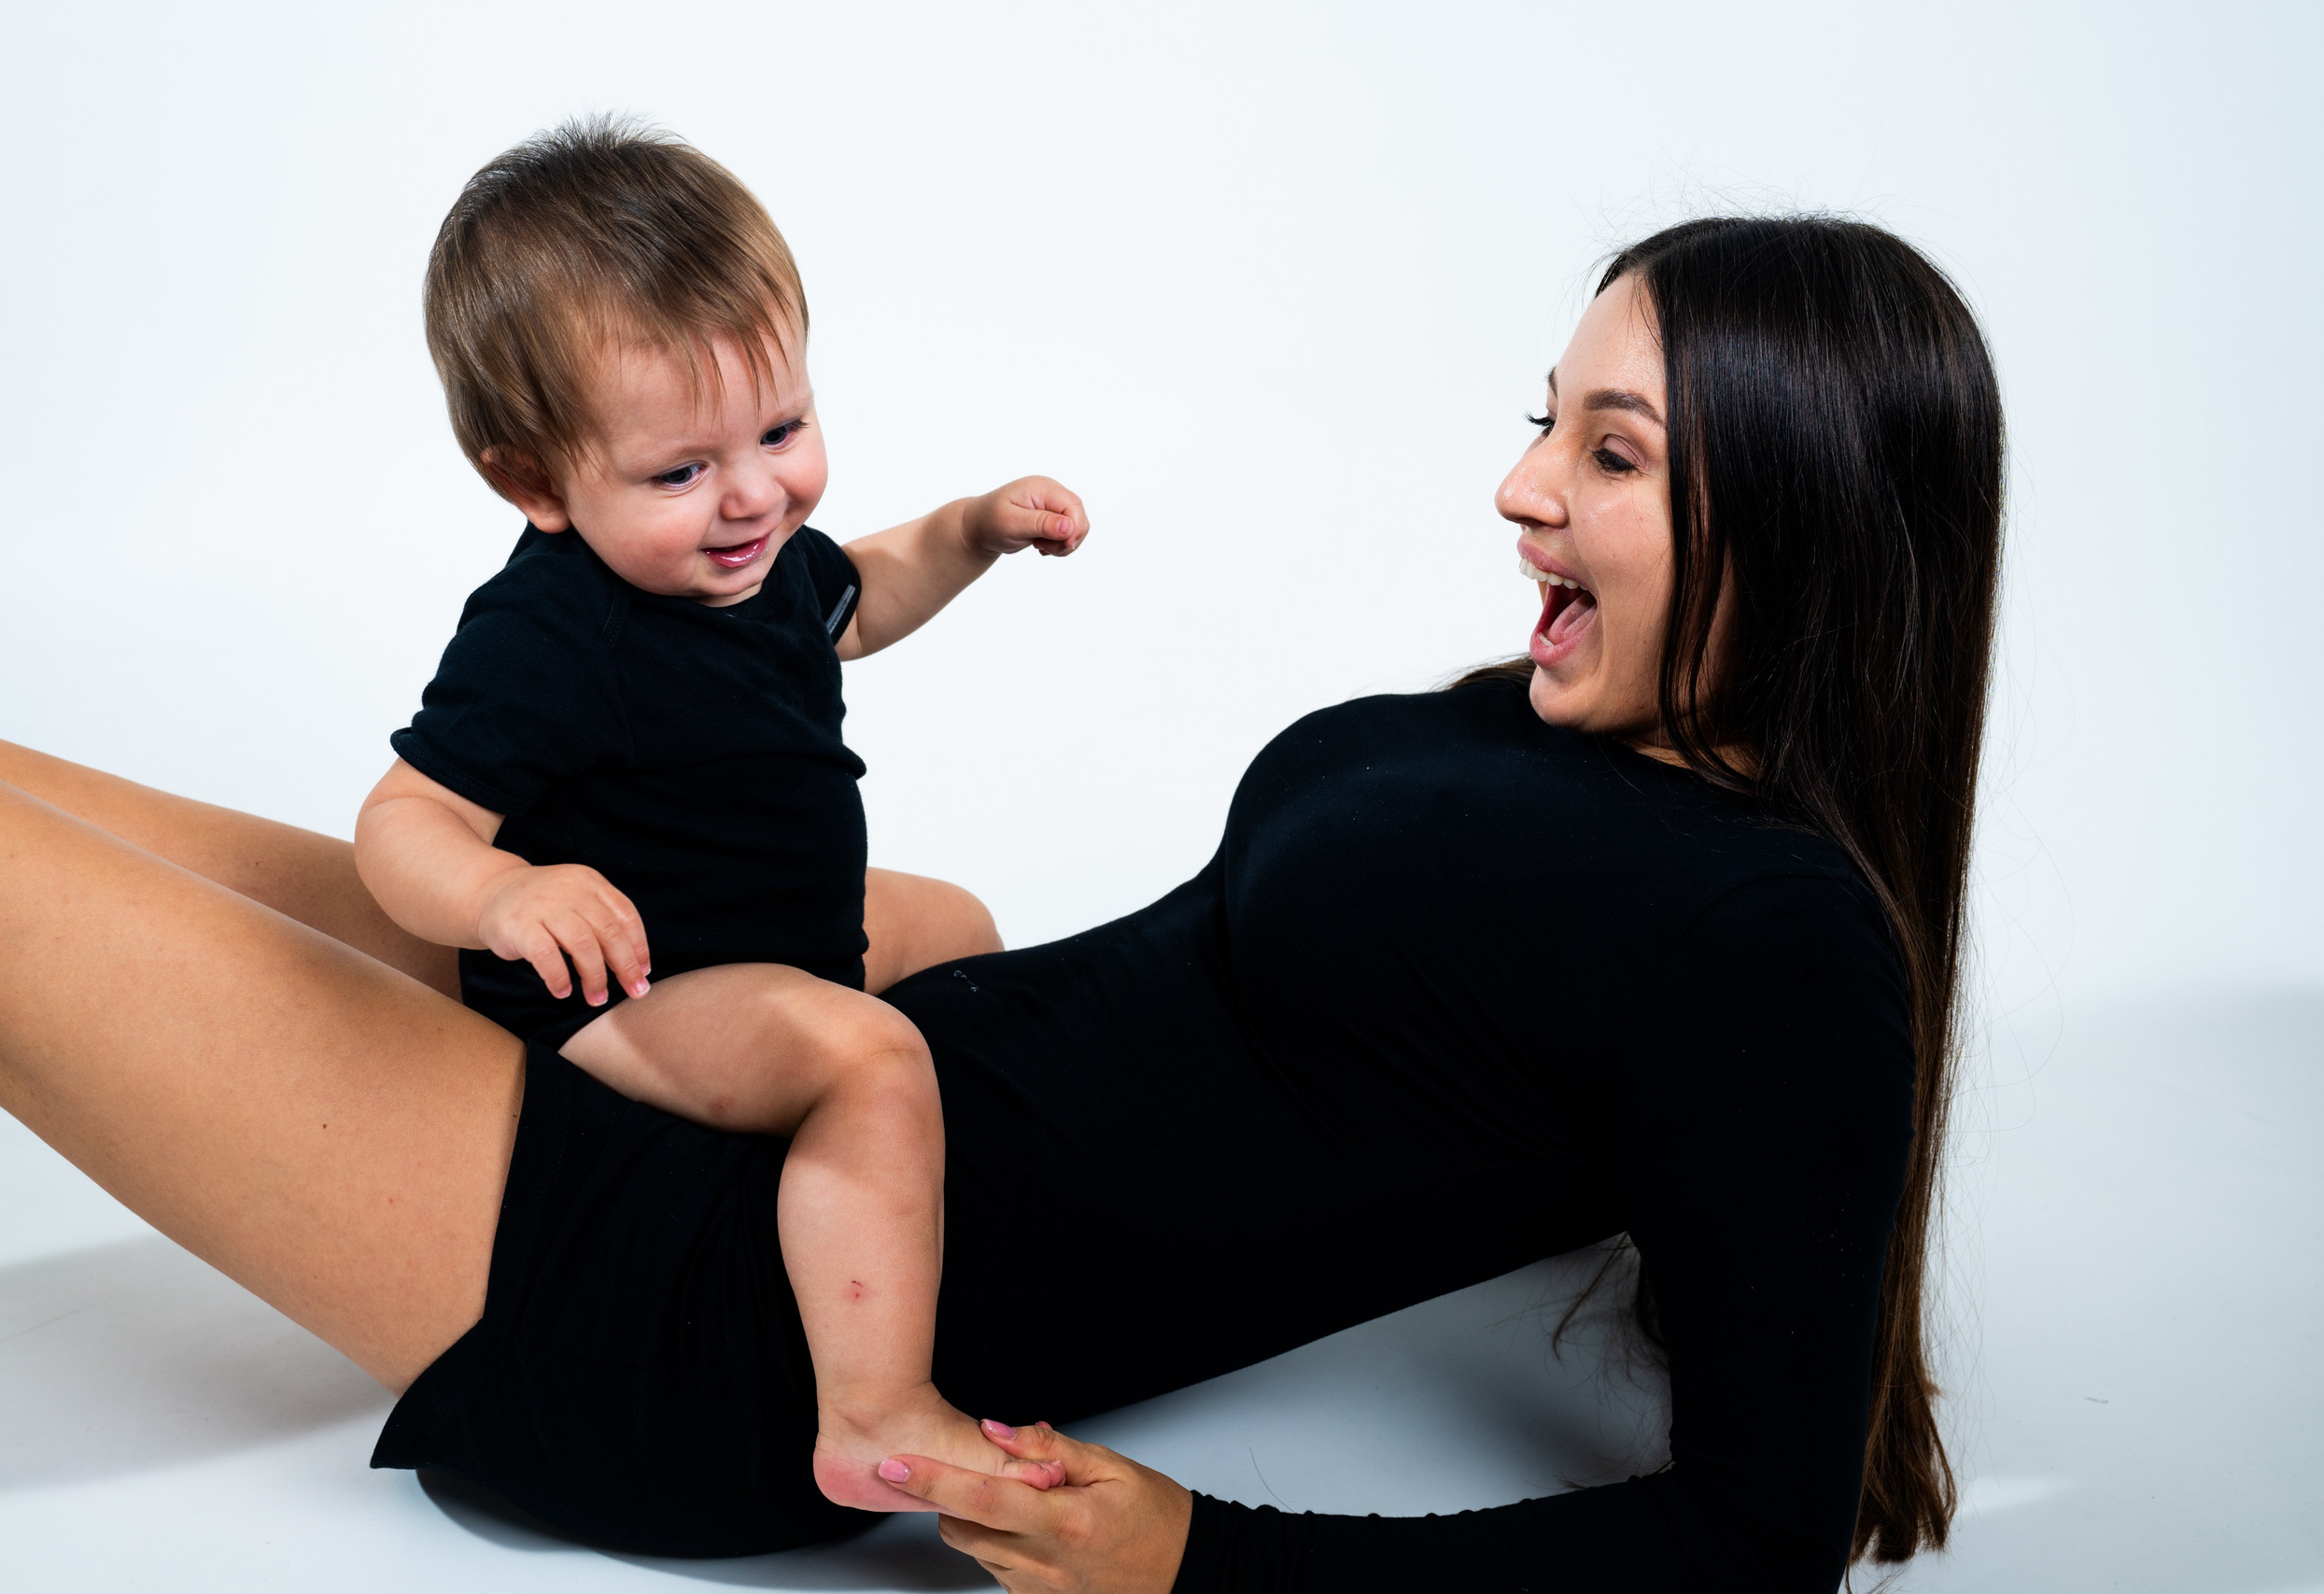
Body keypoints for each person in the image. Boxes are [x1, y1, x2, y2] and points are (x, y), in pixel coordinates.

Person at [0, 213, 2003, 1591]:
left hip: (708, 1312)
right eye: (1541, 415)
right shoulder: (1582, 723)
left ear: (1807, 521)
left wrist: (1205, 1556)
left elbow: (1756, 1533)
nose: (1517, 486)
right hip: (771, 1080)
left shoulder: (1775, 946)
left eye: (1611, 450)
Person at [349, 118, 1087, 1511]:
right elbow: (404, 818)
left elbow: (856, 596)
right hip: (632, 990)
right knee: (864, 1052)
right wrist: (507, 895)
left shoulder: (752, 559)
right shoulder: (556, 631)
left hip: (767, 937)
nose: (753, 495)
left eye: (784, 429)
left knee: (959, 929)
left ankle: (906, 1207)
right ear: (532, 481)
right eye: (681, 471)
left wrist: (973, 531)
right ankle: (873, 1408)